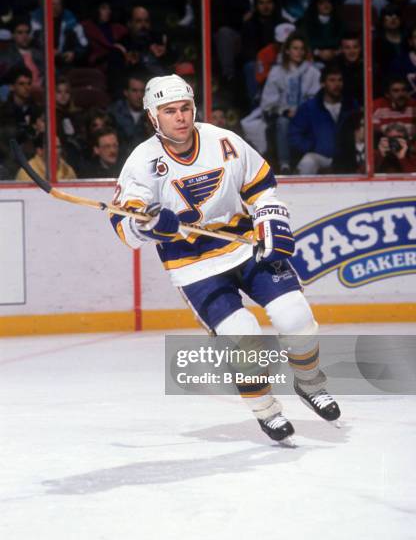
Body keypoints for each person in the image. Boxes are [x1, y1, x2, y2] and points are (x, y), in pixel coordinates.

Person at [110, 74, 341, 444]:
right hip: (193, 265)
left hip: (243, 244)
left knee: (295, 314)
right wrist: (153, 227)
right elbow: (125, 226)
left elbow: (262, 187)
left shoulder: (224, 141)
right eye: (170, 111)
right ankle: (266, 410)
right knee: (243, 337)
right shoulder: (142, 163)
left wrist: (269, 217)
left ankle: (310, 383)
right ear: (154, 117)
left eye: (185, 108)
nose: (181, 117)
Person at [260, 32, 321, 173]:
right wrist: (284, 110)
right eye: (295, 48)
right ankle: (285, 164)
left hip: (307, 115)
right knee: (283, 122)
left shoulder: (313, 72)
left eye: (301, 49)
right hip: (283, 115)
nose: (298, 52)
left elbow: (316, 98)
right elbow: (268, 101)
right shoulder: (277, 72)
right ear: (287, 50)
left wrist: (302, 110)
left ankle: (306, 165)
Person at [289, 65, 356, 174]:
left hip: (345, 159)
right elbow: (294, 135)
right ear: (322, 83)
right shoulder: (309, 108)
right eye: (332, 80)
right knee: (308, 162)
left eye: (340, 80)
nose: (337, 84)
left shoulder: (351, 105)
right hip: (320, 156)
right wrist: (312, 146)